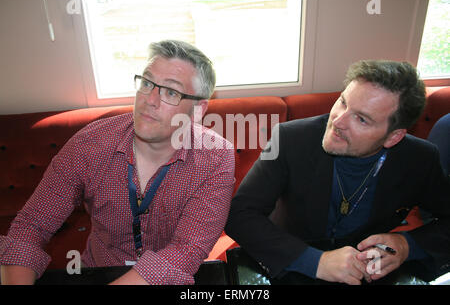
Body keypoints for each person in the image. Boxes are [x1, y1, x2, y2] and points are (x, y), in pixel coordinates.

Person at [0, 40, 235, 285]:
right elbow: (30, 227)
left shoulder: (216, 157)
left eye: (171, 92)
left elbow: (185, 252)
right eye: (147, 83)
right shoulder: (89, 144)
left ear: (198, 109)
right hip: (99, 271)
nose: (150, 99)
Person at [225, 60, 450, 285]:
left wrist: (406, 245)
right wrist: (315, 261)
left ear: (393, 137)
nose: (338, 120)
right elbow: (239, 214)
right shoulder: (289, 139)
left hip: (368, 271)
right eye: (343, 102)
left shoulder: (420, 158)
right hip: (289, 264)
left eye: (361, 119)